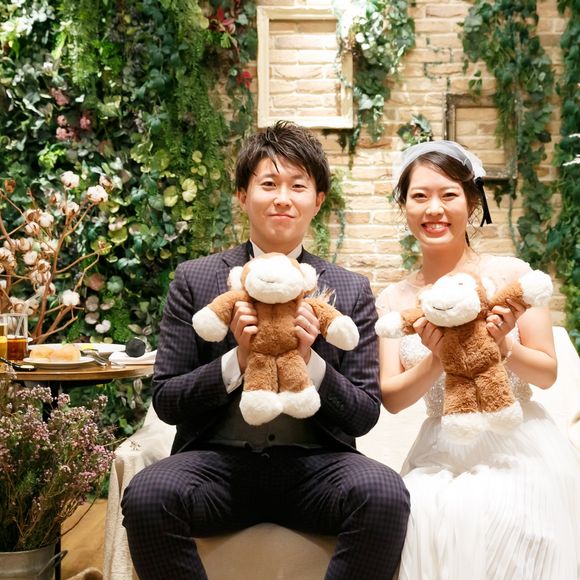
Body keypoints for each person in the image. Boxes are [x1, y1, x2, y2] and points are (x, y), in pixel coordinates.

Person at [122, 121, 410, 579]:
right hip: (217, 465)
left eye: (298, 185)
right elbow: (168, 400)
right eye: (269, 184)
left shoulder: (349, 289)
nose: (283, 198)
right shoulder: (195, 279)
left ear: (318, 200)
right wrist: (237, 358)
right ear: (242, 195)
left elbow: (363, 414)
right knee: (146, 495)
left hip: (318, 467)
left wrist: (309, 359)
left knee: (385, 494)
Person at [377, 140, 580, 580]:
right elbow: (391, 398)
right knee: (427, 515)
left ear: (471, 203)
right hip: (440, 449)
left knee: (506, 514)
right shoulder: (395, 299)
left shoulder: (513, 276)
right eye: (419, 196)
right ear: (404, 206)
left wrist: (504, 347)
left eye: (448, 195)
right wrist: (436, 359)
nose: (434, 209)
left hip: (520, 440)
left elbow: (547, 373)